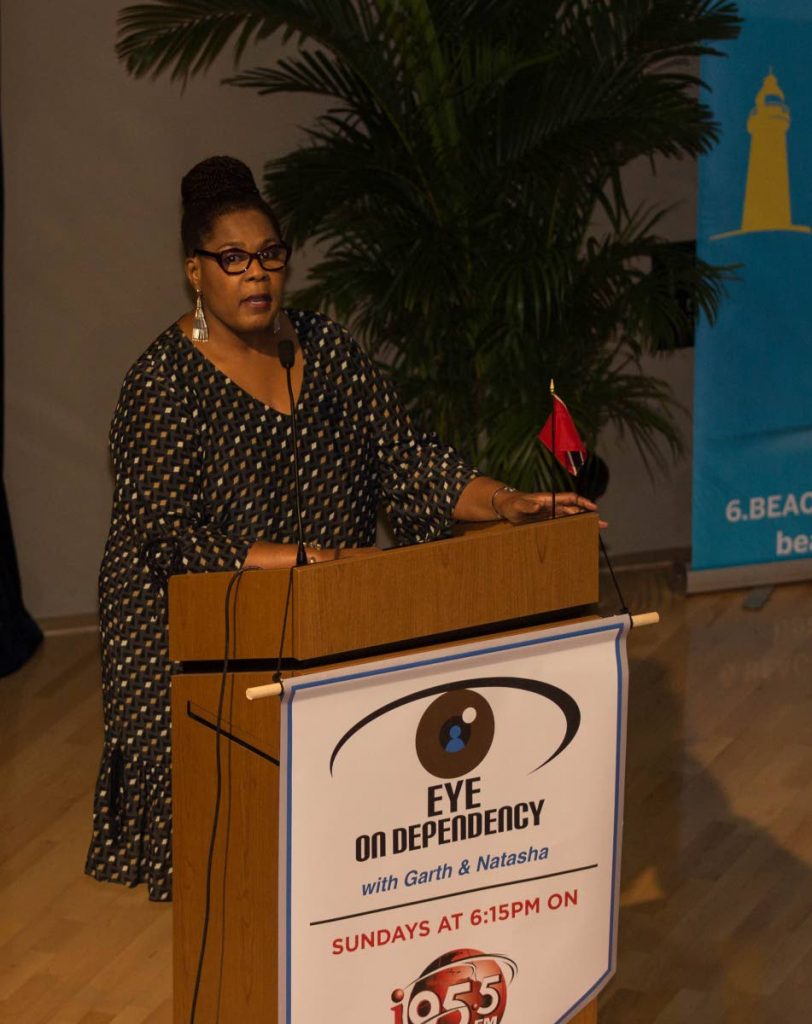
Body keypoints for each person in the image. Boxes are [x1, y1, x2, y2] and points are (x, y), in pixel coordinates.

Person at [85, 156, 597, 901]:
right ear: (195, 272)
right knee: (234, 860)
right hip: (186, 638)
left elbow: (406, 458)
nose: (256, 274)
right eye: (233, 260)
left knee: (334, 843)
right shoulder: (161, 384)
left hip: (321, 613)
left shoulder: (326, 351)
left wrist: (507, 502)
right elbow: (165, 538)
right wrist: (307, 557)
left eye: (270, 256)